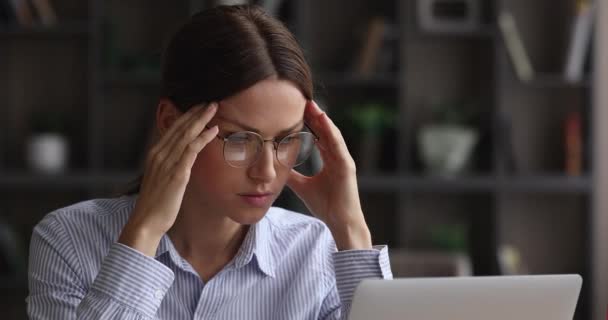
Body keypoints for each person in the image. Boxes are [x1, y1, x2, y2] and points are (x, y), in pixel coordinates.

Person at [26, 4, 392, 319]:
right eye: (240, 139)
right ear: (172, 123)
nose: (266, 172)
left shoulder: (318, 253)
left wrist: (350, 230)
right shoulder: (69, 240)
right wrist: (143, 234)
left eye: (287, 140)